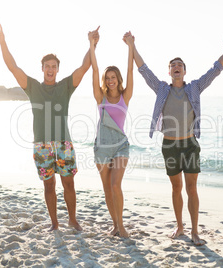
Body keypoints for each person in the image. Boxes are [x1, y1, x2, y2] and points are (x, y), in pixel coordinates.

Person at [131, 33, 223, 246]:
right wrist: (132, 45)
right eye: (173, 65)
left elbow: (215, 70)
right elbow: (143, 70)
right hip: (169, 145)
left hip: (190, 144)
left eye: (180, 65)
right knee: (176, 188)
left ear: (184, 71)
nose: (176, 67)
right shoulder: (161, 89)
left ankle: (195, 231)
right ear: (169, 71)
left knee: (192, 189)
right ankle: (180, 226)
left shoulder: (194, 87)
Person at [0, 24, 96, 231]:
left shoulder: (66, 86)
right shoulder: (33, 87)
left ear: (58, 69)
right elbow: (13, 67)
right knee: (49, 186)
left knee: (69, 184)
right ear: (42, 69)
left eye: (54, 66)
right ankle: (54, 223)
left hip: (63, 144)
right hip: (41, 145)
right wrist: (3, 43)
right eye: (47, 66)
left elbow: (85, 66)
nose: (50, 69)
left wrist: (92, 44)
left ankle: (73, 220)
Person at [88, 27, 134, 238]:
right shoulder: (101, 99)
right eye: (108, 78)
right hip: (102, 147)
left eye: (113, 77)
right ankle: (115, 224)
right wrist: (92, 46)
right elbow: (94, 71)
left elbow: (131, 70)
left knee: (116, 185)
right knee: (107, 188)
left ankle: (121, 226)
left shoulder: (125, 96)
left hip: (120, 145)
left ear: (119, 79)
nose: (110, 80)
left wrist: (130, 46)